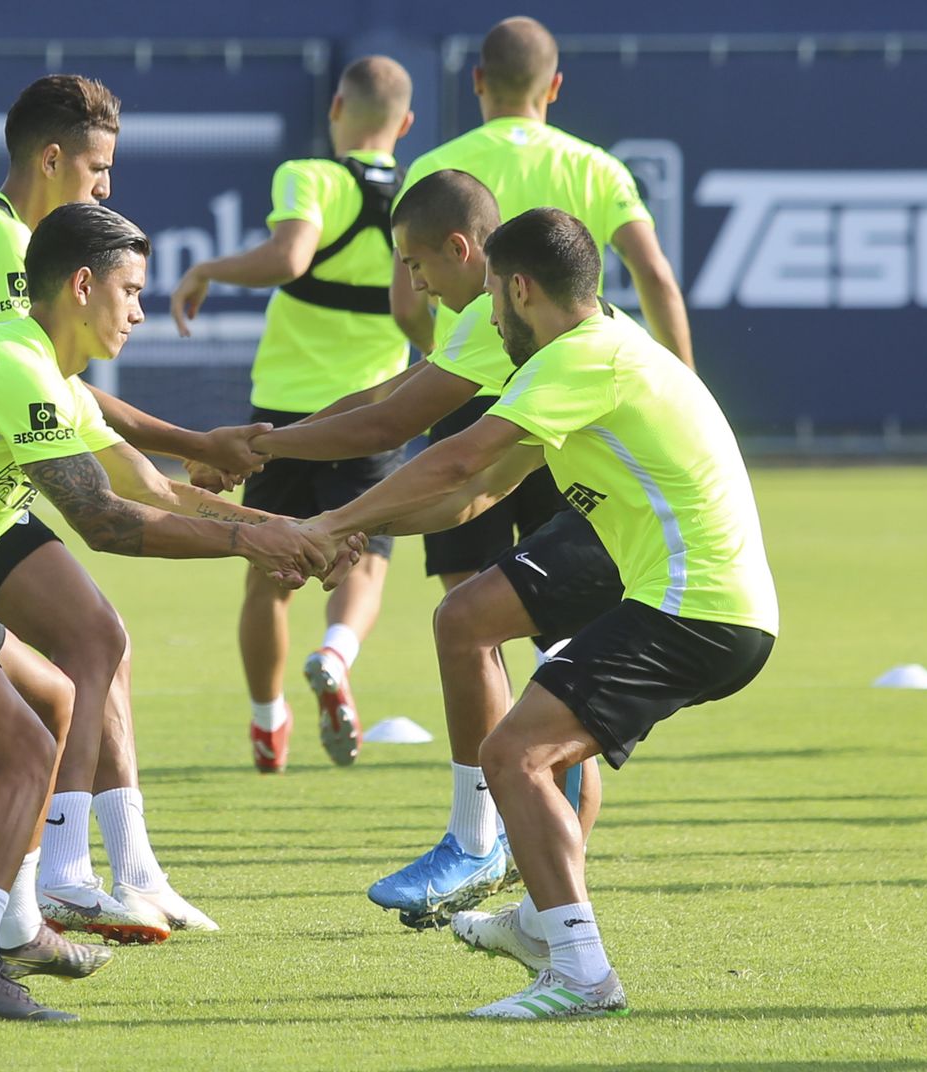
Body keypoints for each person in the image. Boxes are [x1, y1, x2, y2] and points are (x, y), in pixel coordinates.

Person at [0, 202, 355, 1020]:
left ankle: (20, 926)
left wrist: (286, 531)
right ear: (82, 284)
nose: (138, 311)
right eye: (131, 291)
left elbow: (153, 486)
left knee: (58, 700)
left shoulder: (48, 372)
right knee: (24, 751)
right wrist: (251, 547)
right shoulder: (12, 365)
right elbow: (105, 522)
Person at [300, 207, 777, 1018]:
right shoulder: (597, 350)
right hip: (699, 607)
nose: (485, 313)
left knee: (513, 754)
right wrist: (362, 527)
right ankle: (538, 925)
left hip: (693, 612)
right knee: (529, 753)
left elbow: (454, 457)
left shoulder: (582, 357)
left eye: (490, 293)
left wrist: (328, 524)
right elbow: (474, 493)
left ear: (518, 288)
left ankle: (583, 976)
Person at [0, 74, 259, 939]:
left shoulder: (16, 250)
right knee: (90, 641)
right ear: (51, 159)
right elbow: (47, 379)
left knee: (100, 640)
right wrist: (199, 451)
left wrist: (199, 453)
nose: (106, 186)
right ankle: (62, 871)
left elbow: (64, 398)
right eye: (96, 166)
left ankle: (131, 870)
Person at [355, 14, 699, 921]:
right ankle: (535, 882)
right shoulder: (597, 166)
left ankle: (492, 852)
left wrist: (446, 357)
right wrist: (684, 394)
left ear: (477, 83)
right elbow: (655, 277)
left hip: (514, 403)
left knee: (477, 627)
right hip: (593, 420)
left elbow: (411, 291)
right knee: (544, 652)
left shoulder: (455, 164)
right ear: (554, 88)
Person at [169, 56, 415, 773]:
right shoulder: (419, 196)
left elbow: (291, 255)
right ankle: (336, 655)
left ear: (337, 107)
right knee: (363, 560)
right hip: (374, 410)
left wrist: (209, 268)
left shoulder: (312, 176)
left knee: (269, 574)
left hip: (285, 415)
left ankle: (267, 723)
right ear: (403, 124)